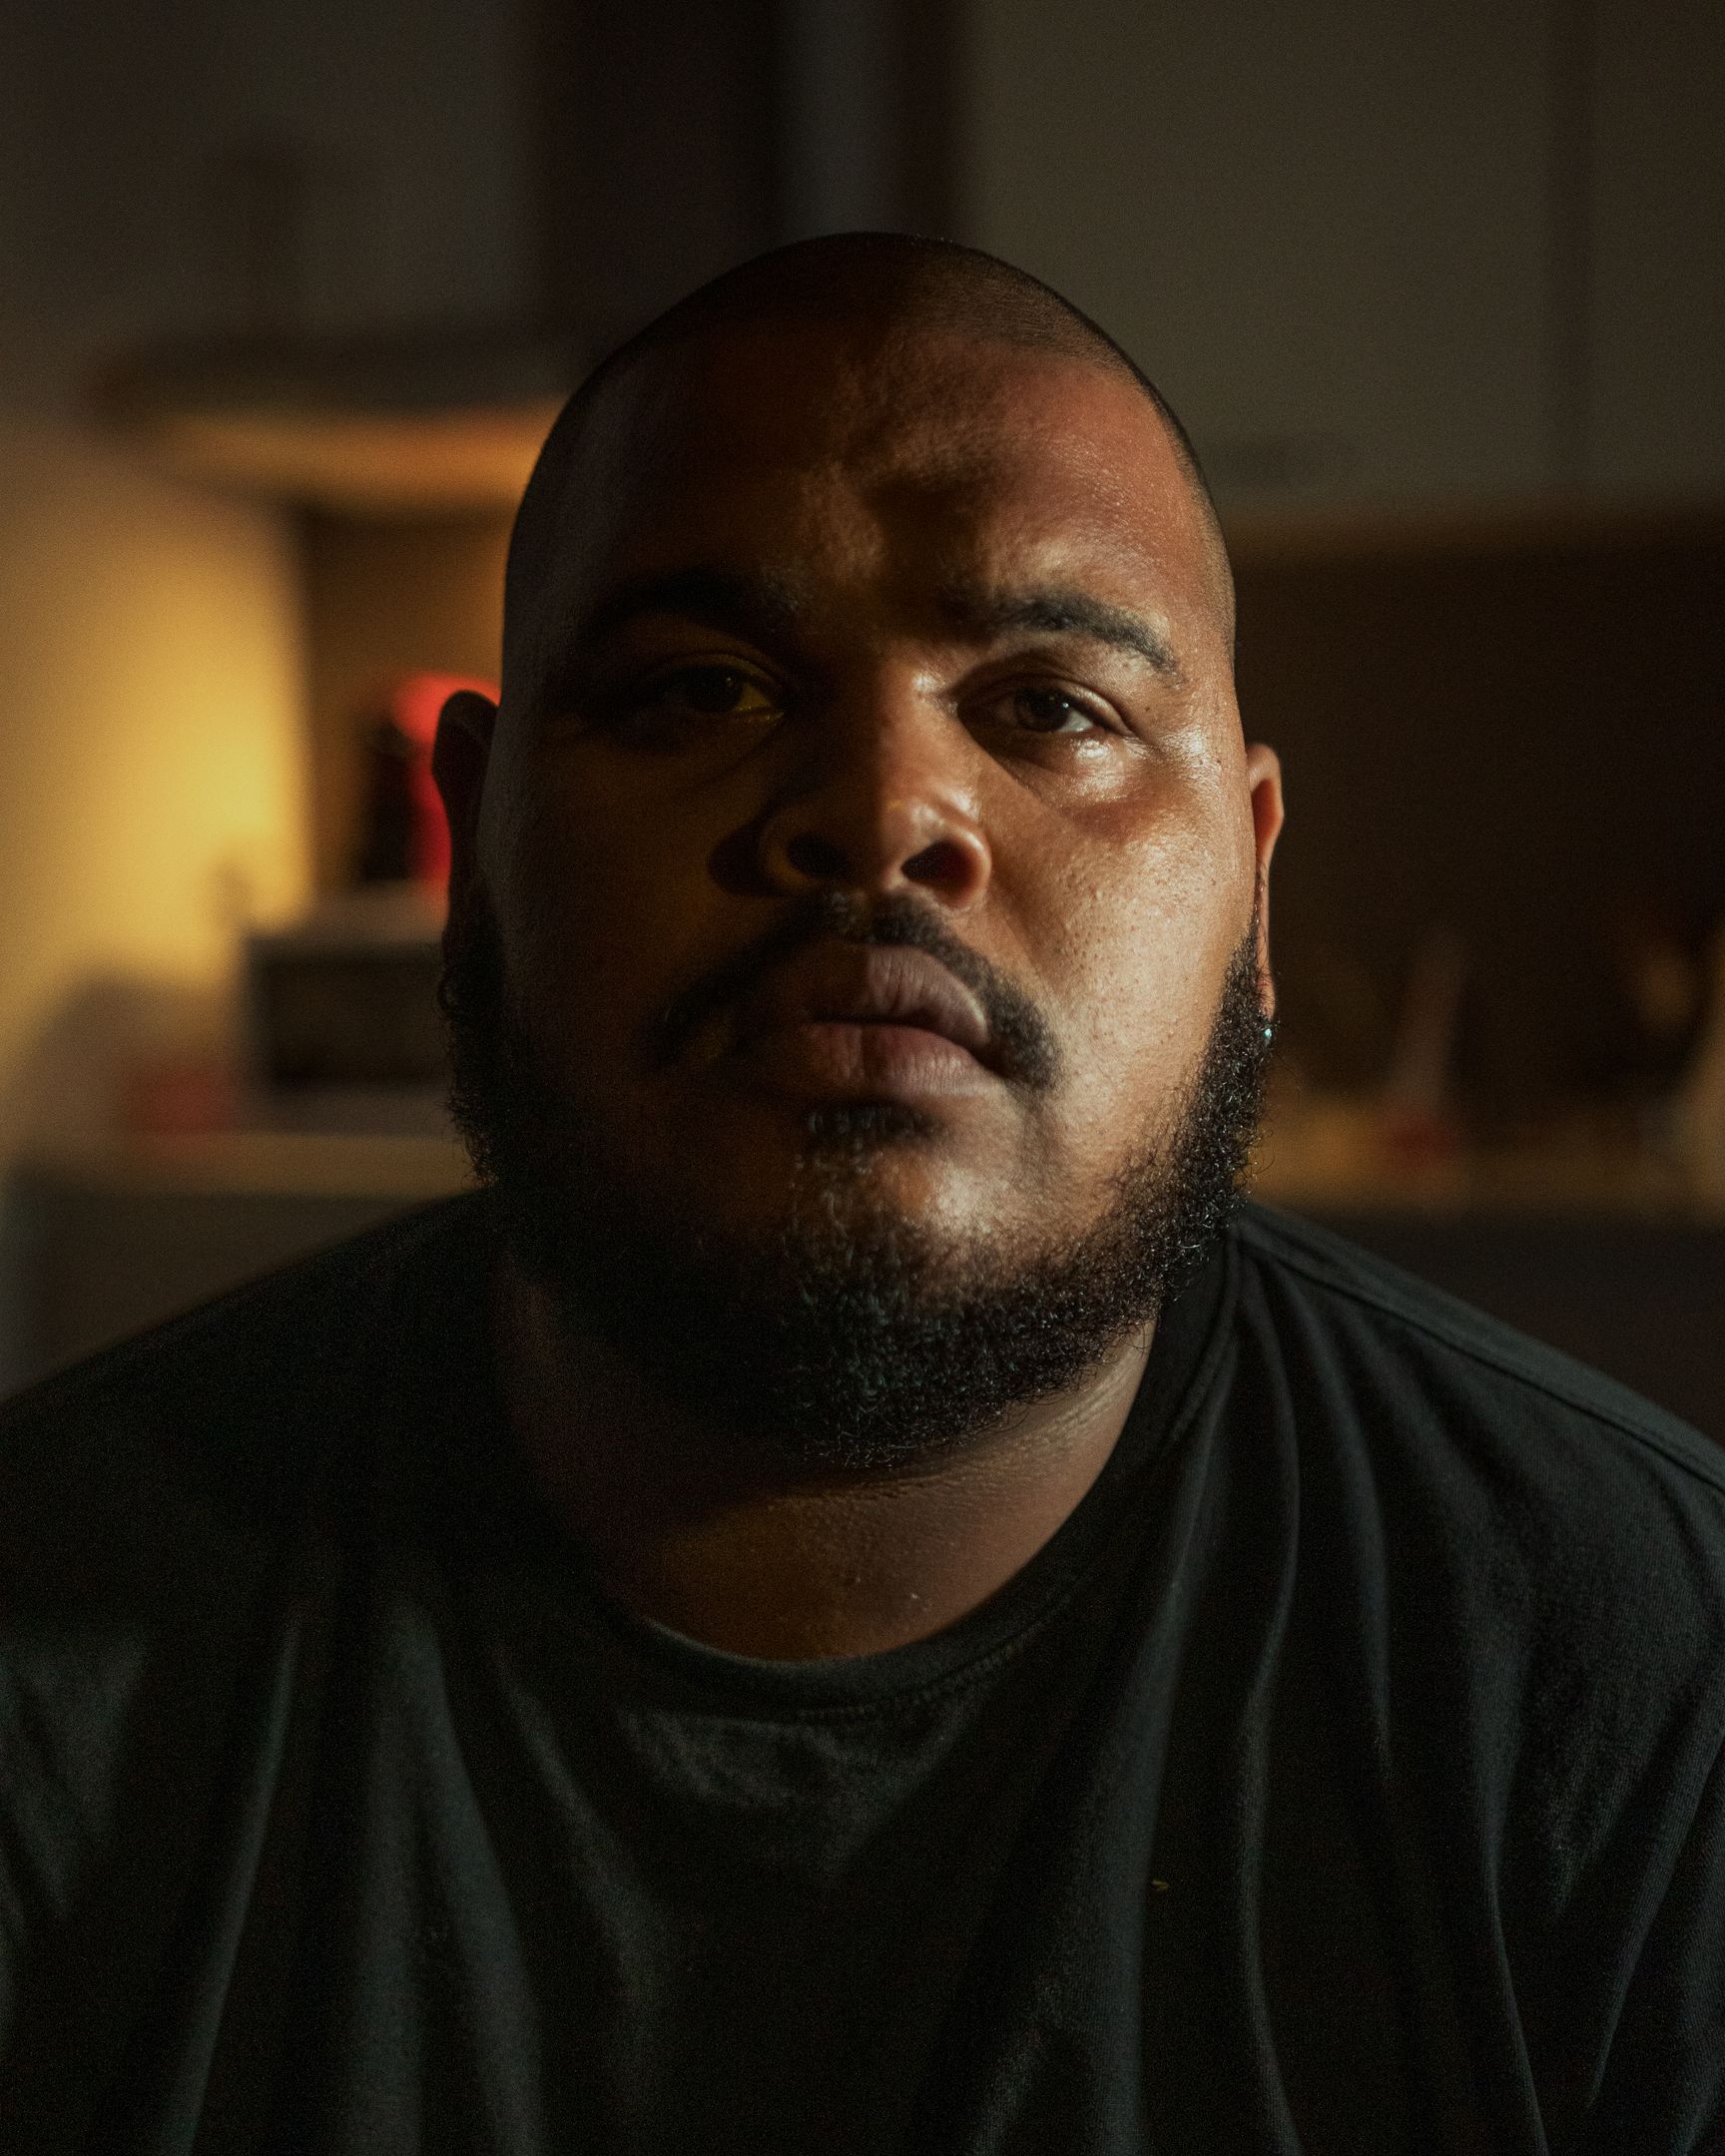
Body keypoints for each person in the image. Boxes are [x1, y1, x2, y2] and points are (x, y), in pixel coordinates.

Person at [2, 234, 1721, 2155]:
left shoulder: (1643, 1681)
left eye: (1050, 706)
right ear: (479, 849)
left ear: (1250, 892)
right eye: (701, 689)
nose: (887, 808)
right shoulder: (49, 1646)